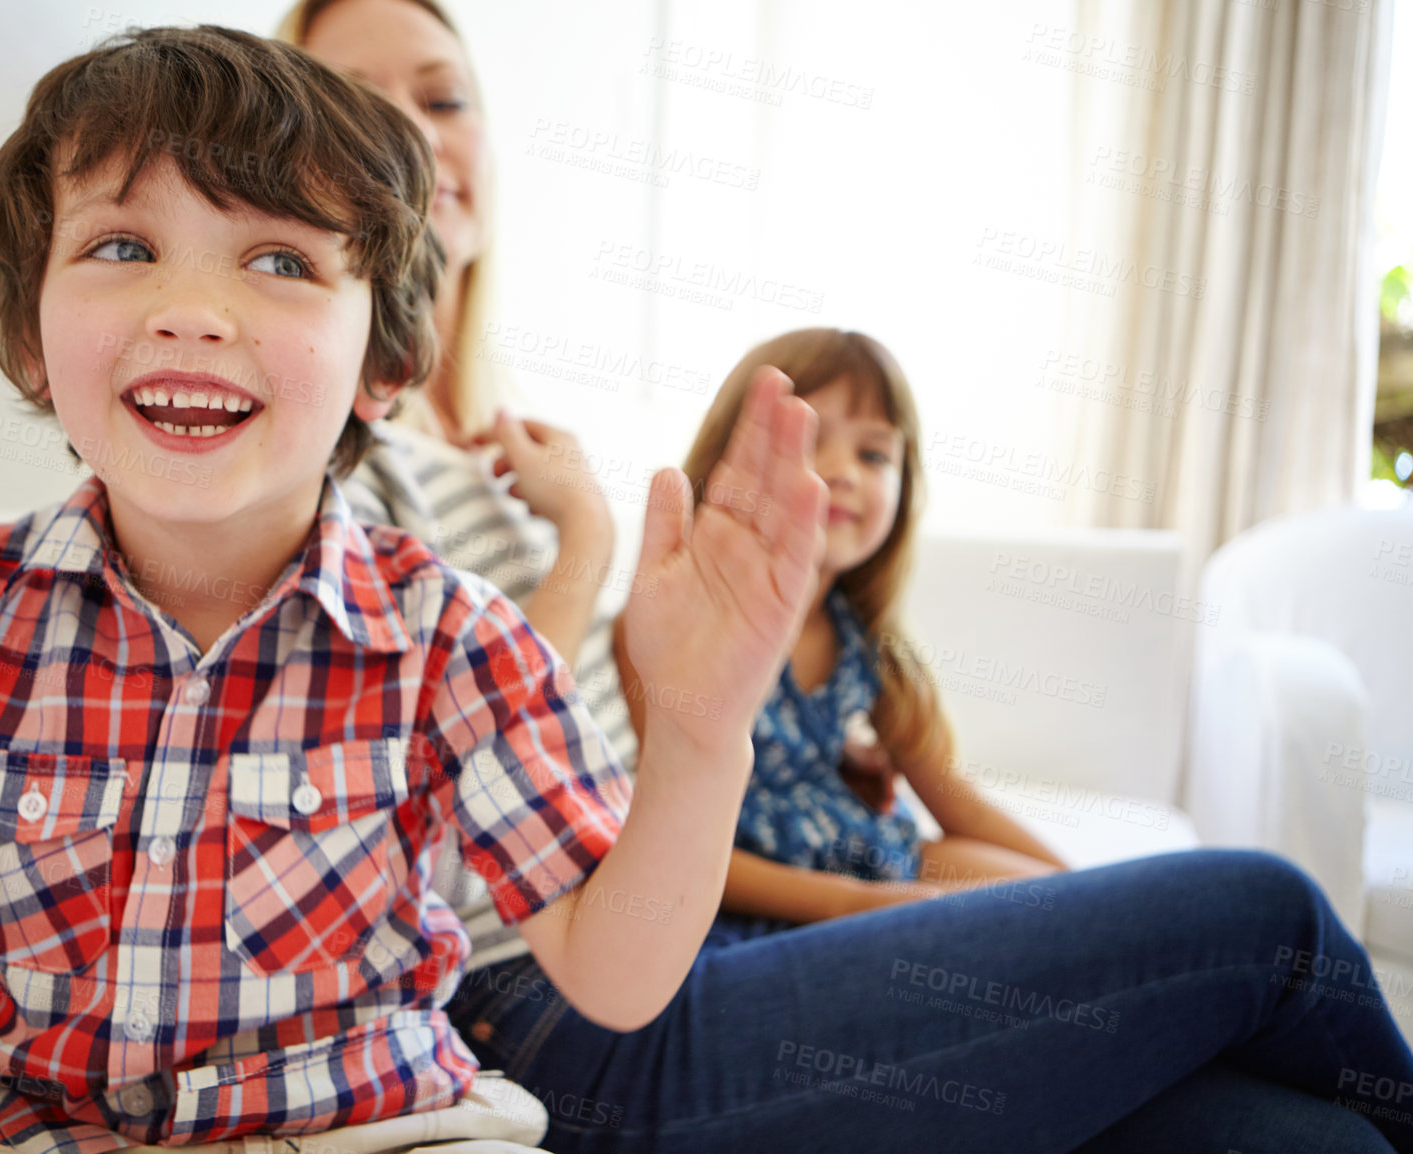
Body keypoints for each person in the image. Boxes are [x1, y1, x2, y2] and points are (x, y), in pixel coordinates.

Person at [0, 25, 833, 1154]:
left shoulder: (447, 633)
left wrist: (700, 732)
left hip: (382, 1131)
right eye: (124, 248)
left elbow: (616, 972)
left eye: (281, 261)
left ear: (382, 364)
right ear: (31, 339)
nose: (191, 309)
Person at [291, 15, 1413, 1145]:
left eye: (441, 99)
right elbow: (416, 797)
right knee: (1265, 912)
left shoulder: (512, 446)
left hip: (685, 944)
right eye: (354, 96)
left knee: (1307, 1138)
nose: (407, 131)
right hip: (560, 1001)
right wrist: (586, 540)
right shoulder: (326, 455)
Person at [671, 329, 1068, 920]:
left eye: (874, 455)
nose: (842, 472)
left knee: (1061, 907)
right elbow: (672, 844)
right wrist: (860, 903)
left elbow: (961, 806)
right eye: (807, 442)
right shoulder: (677, 627)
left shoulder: (871, 646)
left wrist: (1103, 896)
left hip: (882, 866)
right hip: (773, 903)